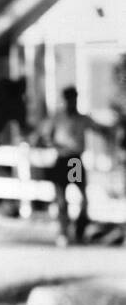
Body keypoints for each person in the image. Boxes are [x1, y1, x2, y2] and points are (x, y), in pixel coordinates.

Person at [39, 85, 115, 246]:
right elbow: (46, 136)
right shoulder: (57, 117)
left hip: (74, 161)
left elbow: (100, 129)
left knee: (83, 199)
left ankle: (79, 231)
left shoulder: (82, 119)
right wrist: (55, 145)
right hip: (62, 159)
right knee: (61, 200)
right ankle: (64, 232)